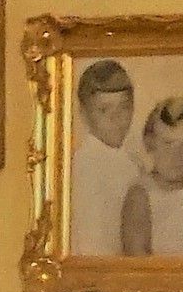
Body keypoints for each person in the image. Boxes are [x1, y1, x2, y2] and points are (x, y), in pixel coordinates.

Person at [55, 54, 142, 255]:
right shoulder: (84, 168)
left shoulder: (132, 164)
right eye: (104, 110)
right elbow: (92, 244)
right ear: (84, 114)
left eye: (124, 107)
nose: (117, 118)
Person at [129, 85, 183, 258]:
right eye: (168, 144)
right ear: (150, 144)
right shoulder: (142, 195)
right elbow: (136, 261)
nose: (176, 155)